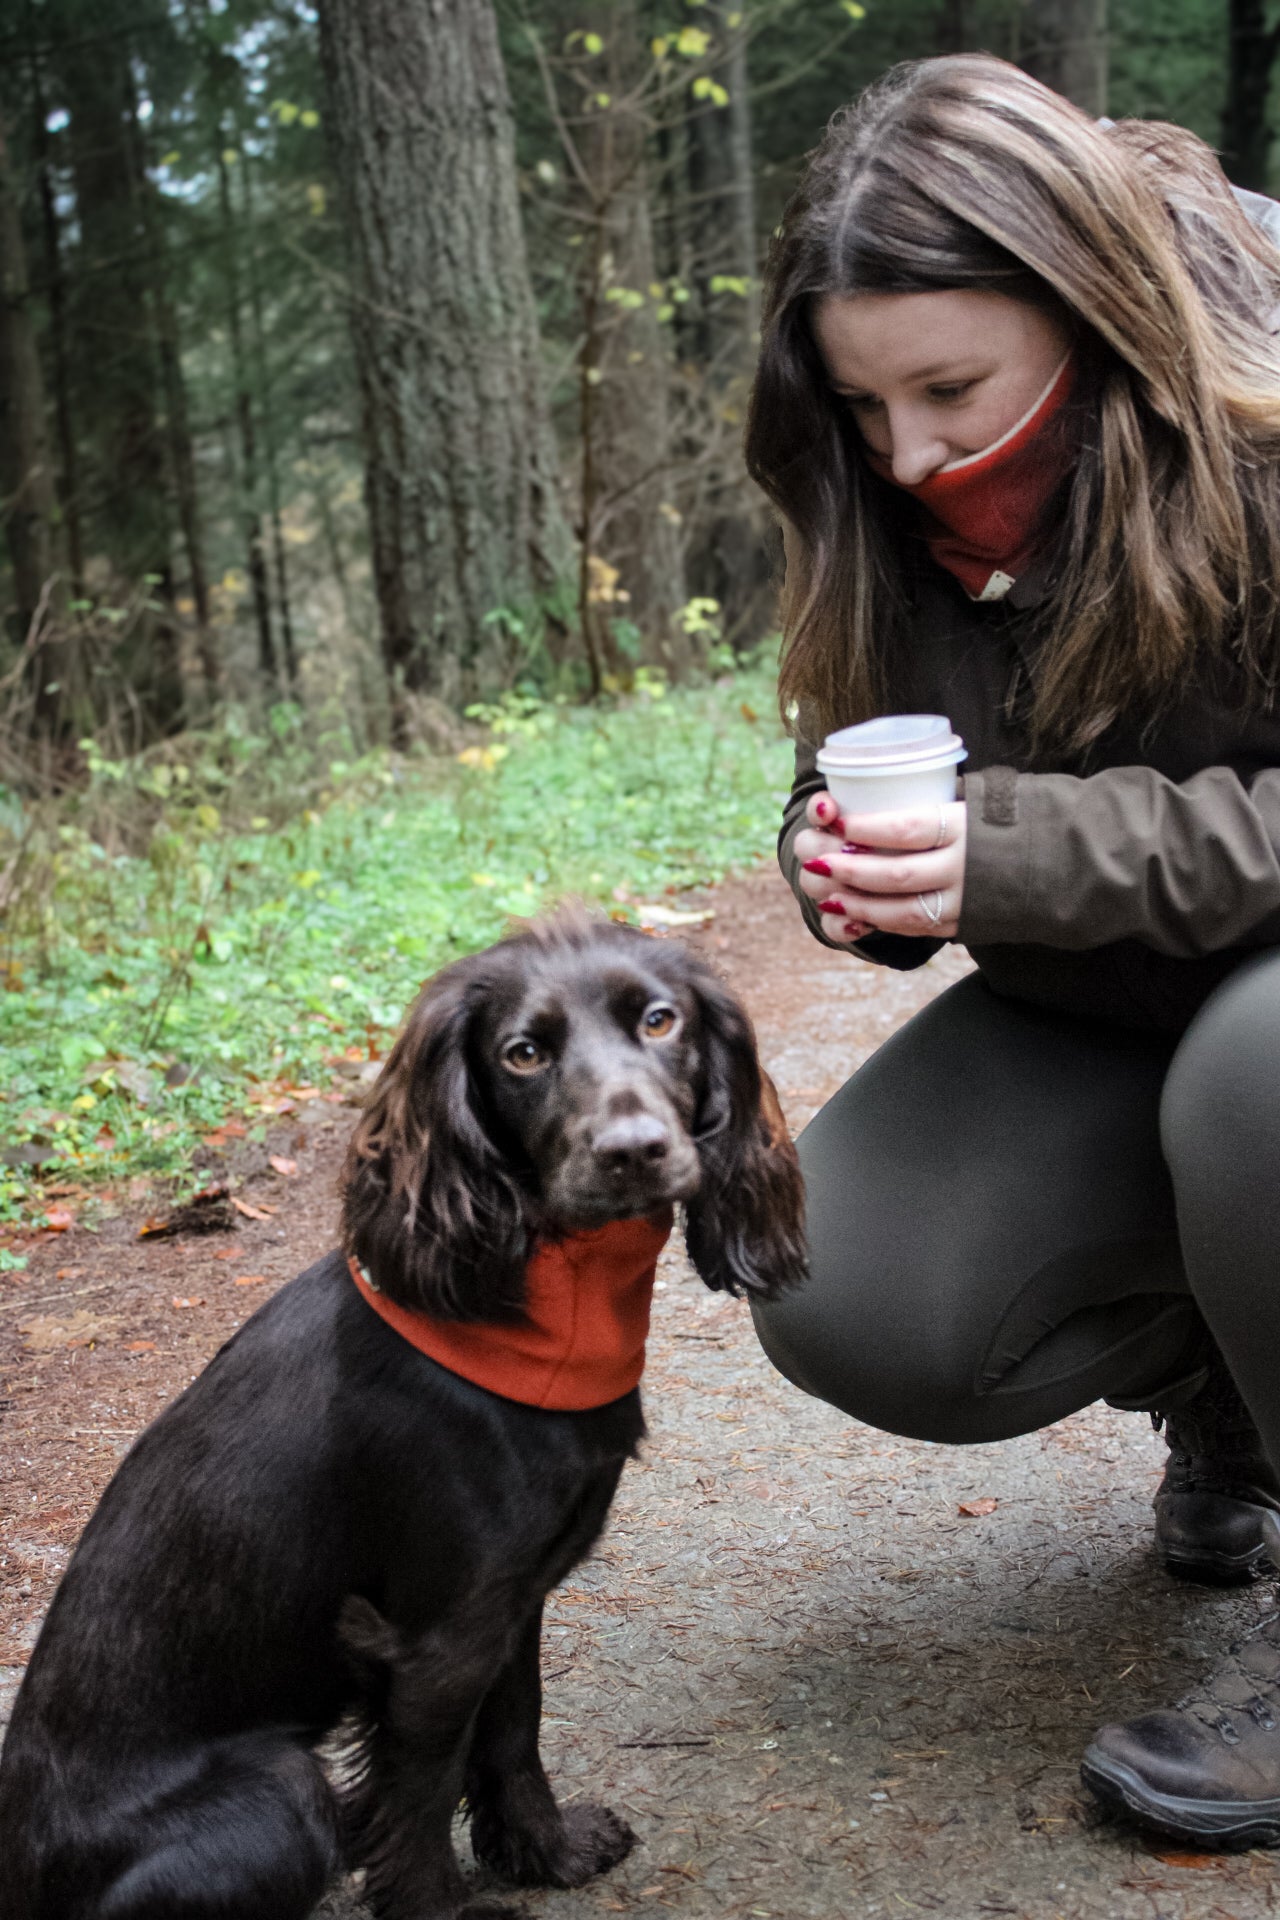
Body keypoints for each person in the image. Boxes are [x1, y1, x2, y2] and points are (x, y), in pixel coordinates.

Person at [744, 53, 1280, 1850]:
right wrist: (849, 866)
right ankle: (1233, 1400)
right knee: (849, 1282)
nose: (911, 456)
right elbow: (855, 751)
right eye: (865, 405)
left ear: (1093, 306)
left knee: (1257, 1078)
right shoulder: (882, 484)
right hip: (1123, 1000)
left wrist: (1018, 853)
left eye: (952, 391)